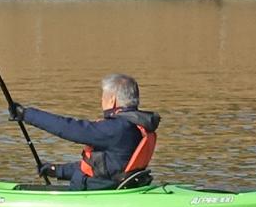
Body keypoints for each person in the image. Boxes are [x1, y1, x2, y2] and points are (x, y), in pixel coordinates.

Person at [12, 74, 160, 190]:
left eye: (103, 97)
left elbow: (69, 128)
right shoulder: (136, 126)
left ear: (112, 100)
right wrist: (57, 171)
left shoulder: (116, 128)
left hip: (95, 193)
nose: (101, 101)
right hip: (109, 187)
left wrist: (26, 115)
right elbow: (104, 169)